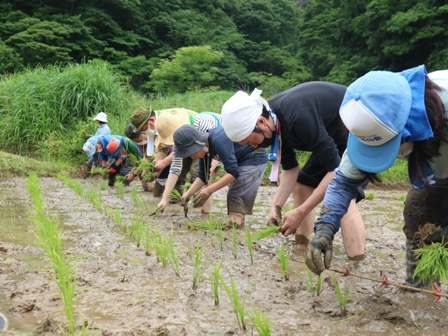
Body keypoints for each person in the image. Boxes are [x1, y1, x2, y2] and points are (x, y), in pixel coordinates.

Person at [304, 65, 448, 288]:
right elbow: (343, 183)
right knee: (419, 211)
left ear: (408, 125)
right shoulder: (368, 120)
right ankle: (423, 293)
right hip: (439, 161)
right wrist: (324, 228)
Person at [220, 84, 365, 260]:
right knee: (302, 185)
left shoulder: (297, 115)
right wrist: (276, 207)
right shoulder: (276, 124)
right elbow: (290, 170)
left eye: (251, 140)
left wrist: (301, 211)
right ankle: (301, 249)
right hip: (333, 139)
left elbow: (334, 172)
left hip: (359, 133)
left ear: (261, 122)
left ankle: (356, 263)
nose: (254, 146)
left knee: (343, 196)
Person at [173, 124, 268, 227]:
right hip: (239, 159)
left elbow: (233, 173)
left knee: (235, 193)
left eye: (190, 152)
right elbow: (203, 177)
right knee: (234, 193)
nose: (190, 156)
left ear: (197, 144)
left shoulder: (218, 140)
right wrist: (188, 194)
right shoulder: (206, 148)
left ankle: (236, 227)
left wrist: (208, 190)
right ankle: (236, 228)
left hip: (254, 156)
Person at [156, 111, 222, 214]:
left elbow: (214, 161)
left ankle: (205, 214)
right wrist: (164, 198)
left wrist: (191, 190)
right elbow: (175, 169)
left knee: (205, 178)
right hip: (194, 143)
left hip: (219, 144)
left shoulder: (204, 125)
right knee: (193, 175)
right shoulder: (179, 137)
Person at [84, 112, 111, 176]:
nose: (97, 121)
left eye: (97, 120)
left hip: (103, 148)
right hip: (98, 147)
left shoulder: (105, 129)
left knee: (102, 163)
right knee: (94, 161)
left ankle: (88, 174)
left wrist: (90, 136)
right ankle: (87, 174)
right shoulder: (101, 128)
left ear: (99, 120)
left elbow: (100, 138)